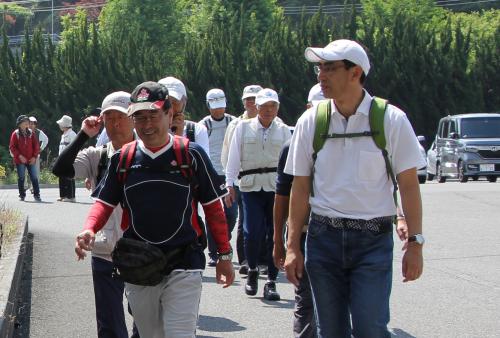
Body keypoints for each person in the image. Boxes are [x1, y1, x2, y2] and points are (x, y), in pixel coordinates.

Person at [284, 39, 425, 338]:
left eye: (330, 68)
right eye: (319, 69)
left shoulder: (391, 119)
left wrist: (415, 244)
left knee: (370, 329)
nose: (321, 76)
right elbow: (300, 187)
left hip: (372, 241)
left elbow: (409, 185)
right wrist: (292, 246)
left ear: (355, 72)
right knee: (330, 332)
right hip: (323, 239)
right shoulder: (311, 121)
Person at [74, 81, 234, 338]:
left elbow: (214, 208)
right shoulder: (123, 159)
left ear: (170, 114)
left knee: (179, 333)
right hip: (139, 265)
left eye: (153, 116)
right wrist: (89, 228)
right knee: (151, 334)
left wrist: (224, 256)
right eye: (139, 117)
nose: (146, 125)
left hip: (185, 262)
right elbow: (104, 203)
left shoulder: (191, 155)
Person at [52, 91, 137, 338]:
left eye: (121, 117)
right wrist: (83, 136)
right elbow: (61, 169)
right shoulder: (98, 155)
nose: (115, 124)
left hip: (143, 251)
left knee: (145, 322)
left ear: (133, 118)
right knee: (110, 326)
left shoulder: (149, 152)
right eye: (108, 118)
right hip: (105, 249)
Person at [225, 88, 291, 301]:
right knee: (251, 231)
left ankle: (271, 281)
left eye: (273, 106)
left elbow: (291, 162)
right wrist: (229, 183)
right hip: (250, 186)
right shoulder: (243, 128)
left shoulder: (283, 130)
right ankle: (252, 270)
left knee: (275, 234)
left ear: (278, 108)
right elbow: (234, 156)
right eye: (264, 106)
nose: (268, 111)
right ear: (256, 107)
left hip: (276, 188)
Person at [221, 84, 262, 274]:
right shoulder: (236, 124)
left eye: (254, 99)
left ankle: (261, 258)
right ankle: (245, 259)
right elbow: (227, 152)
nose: (251, 102)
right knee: (244, 220)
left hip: (266, 181)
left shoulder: (274, 122)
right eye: (248, 99)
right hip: (240, 180)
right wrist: (230, 179)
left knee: (263, 221)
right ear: (243, 101)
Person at [199, 88, 237, 267]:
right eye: (214, 107)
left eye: (220, 106)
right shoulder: (203, 125)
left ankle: (223, 239)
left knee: (231, 213)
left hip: (231, 173)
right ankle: (214, 252)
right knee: (213, 213)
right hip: (212, 173)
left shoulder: (234, 122)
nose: (218, 110)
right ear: (208, 106)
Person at [158, 76, 209, 153]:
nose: (170, 108)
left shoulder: (197, 131)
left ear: (184, 102)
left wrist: (179, 136)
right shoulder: (146, 130)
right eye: (165, 102)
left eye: (174, 102)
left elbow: (201, 163)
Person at [9, 115, 41, 202]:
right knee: (21, 177)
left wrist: (34, 157)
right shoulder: (15, 134)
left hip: (31, 159)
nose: (27, 123)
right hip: (20, 160)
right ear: (19, 124)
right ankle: (22, 195)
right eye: (24, 121)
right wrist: (19, 156)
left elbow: (36, 146)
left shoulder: (31, 133)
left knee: (34, 177)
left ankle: (37, 195)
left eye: (27, 121)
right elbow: (12, 147)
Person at [56, 114, 77, 202]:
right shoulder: (63, 134)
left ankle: (71, 197)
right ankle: (63, 195)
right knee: (62, 178)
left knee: (69, 178)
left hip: (69, 159)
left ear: (65, 125)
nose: (60, 125)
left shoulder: (72, 134)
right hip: (62, 159)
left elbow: (75, 147)